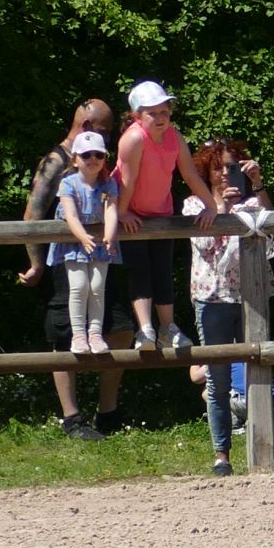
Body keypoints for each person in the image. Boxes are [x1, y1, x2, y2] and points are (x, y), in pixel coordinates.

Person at [20, 100, 124, 437]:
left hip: (104, 252)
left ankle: (108, 410)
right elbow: (33, 212)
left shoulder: (102, 163)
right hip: (67, 257)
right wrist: (36, 262)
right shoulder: (56, 162)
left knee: (119, 325)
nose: (104, 144)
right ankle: (72, 416)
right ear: (89, 124)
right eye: (104, 131)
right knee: (65, 331)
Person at [182, 144, 274, 475]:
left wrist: (258, 183)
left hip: (252, 297)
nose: (225, 174)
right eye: (218, 168)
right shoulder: (193, 204)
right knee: (218, 380)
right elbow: (205, 244)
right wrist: (219, 205)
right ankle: (222, 454)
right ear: (206, 174)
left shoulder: (252, 203)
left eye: (232, 167)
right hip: (212, 298)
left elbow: (273, 232)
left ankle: (267, 447)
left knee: (259, 370)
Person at [112, 80, 211, 357]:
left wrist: (211, 206)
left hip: (161, 213)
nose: (159, 117)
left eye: (164, 111)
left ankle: (168, 328)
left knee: (162, 270)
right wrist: (122, 212)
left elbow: (189, 174)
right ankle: (145, 329)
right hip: (131, 213)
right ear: (137, 116)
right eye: (151, 112)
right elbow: (127, 182)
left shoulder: (175, 137)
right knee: (140, 270)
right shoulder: (133, 139)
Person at [49, 132, 120, 357]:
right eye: (86, 154)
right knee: (79, 286)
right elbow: (70, 214)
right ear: (76, 158)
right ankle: (79, 334)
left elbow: (111, 209)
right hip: (74, 242)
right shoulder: (68, 183)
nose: (92, 159)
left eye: (98, 154)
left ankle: (95, 333)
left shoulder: (108, 183)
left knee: (98, 287)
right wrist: (82, 236)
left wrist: (109, 235)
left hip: (99, 242)